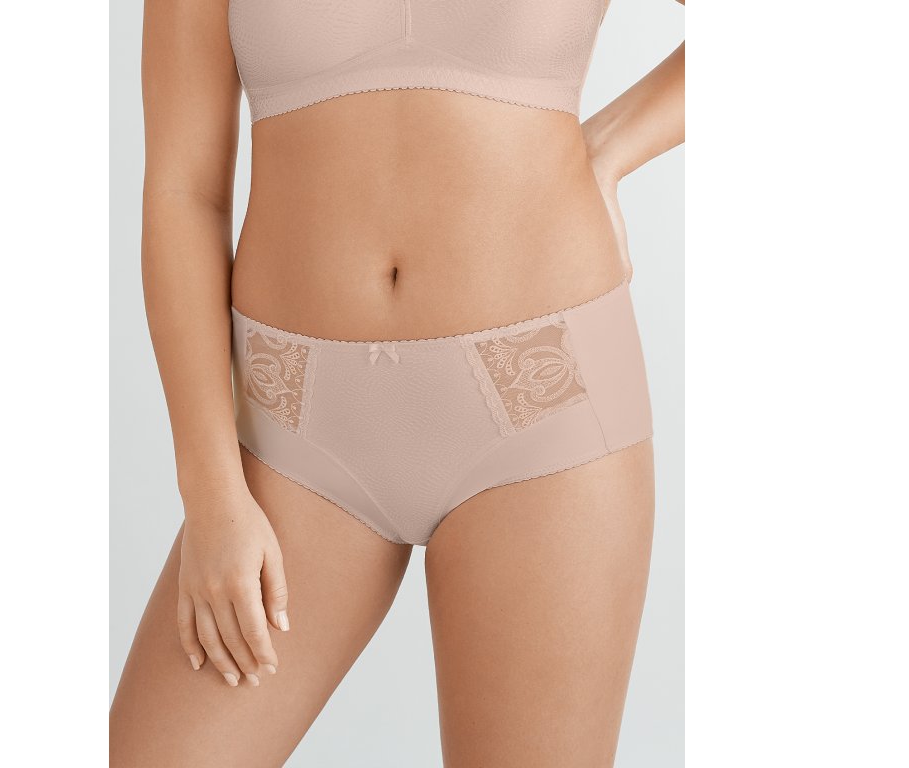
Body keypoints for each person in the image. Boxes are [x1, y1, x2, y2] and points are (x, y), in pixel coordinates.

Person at [110, 0, 684, 764]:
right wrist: (211, 495)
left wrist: (611, 146)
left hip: (546, 401)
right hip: (292, 429)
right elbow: (183, 193)